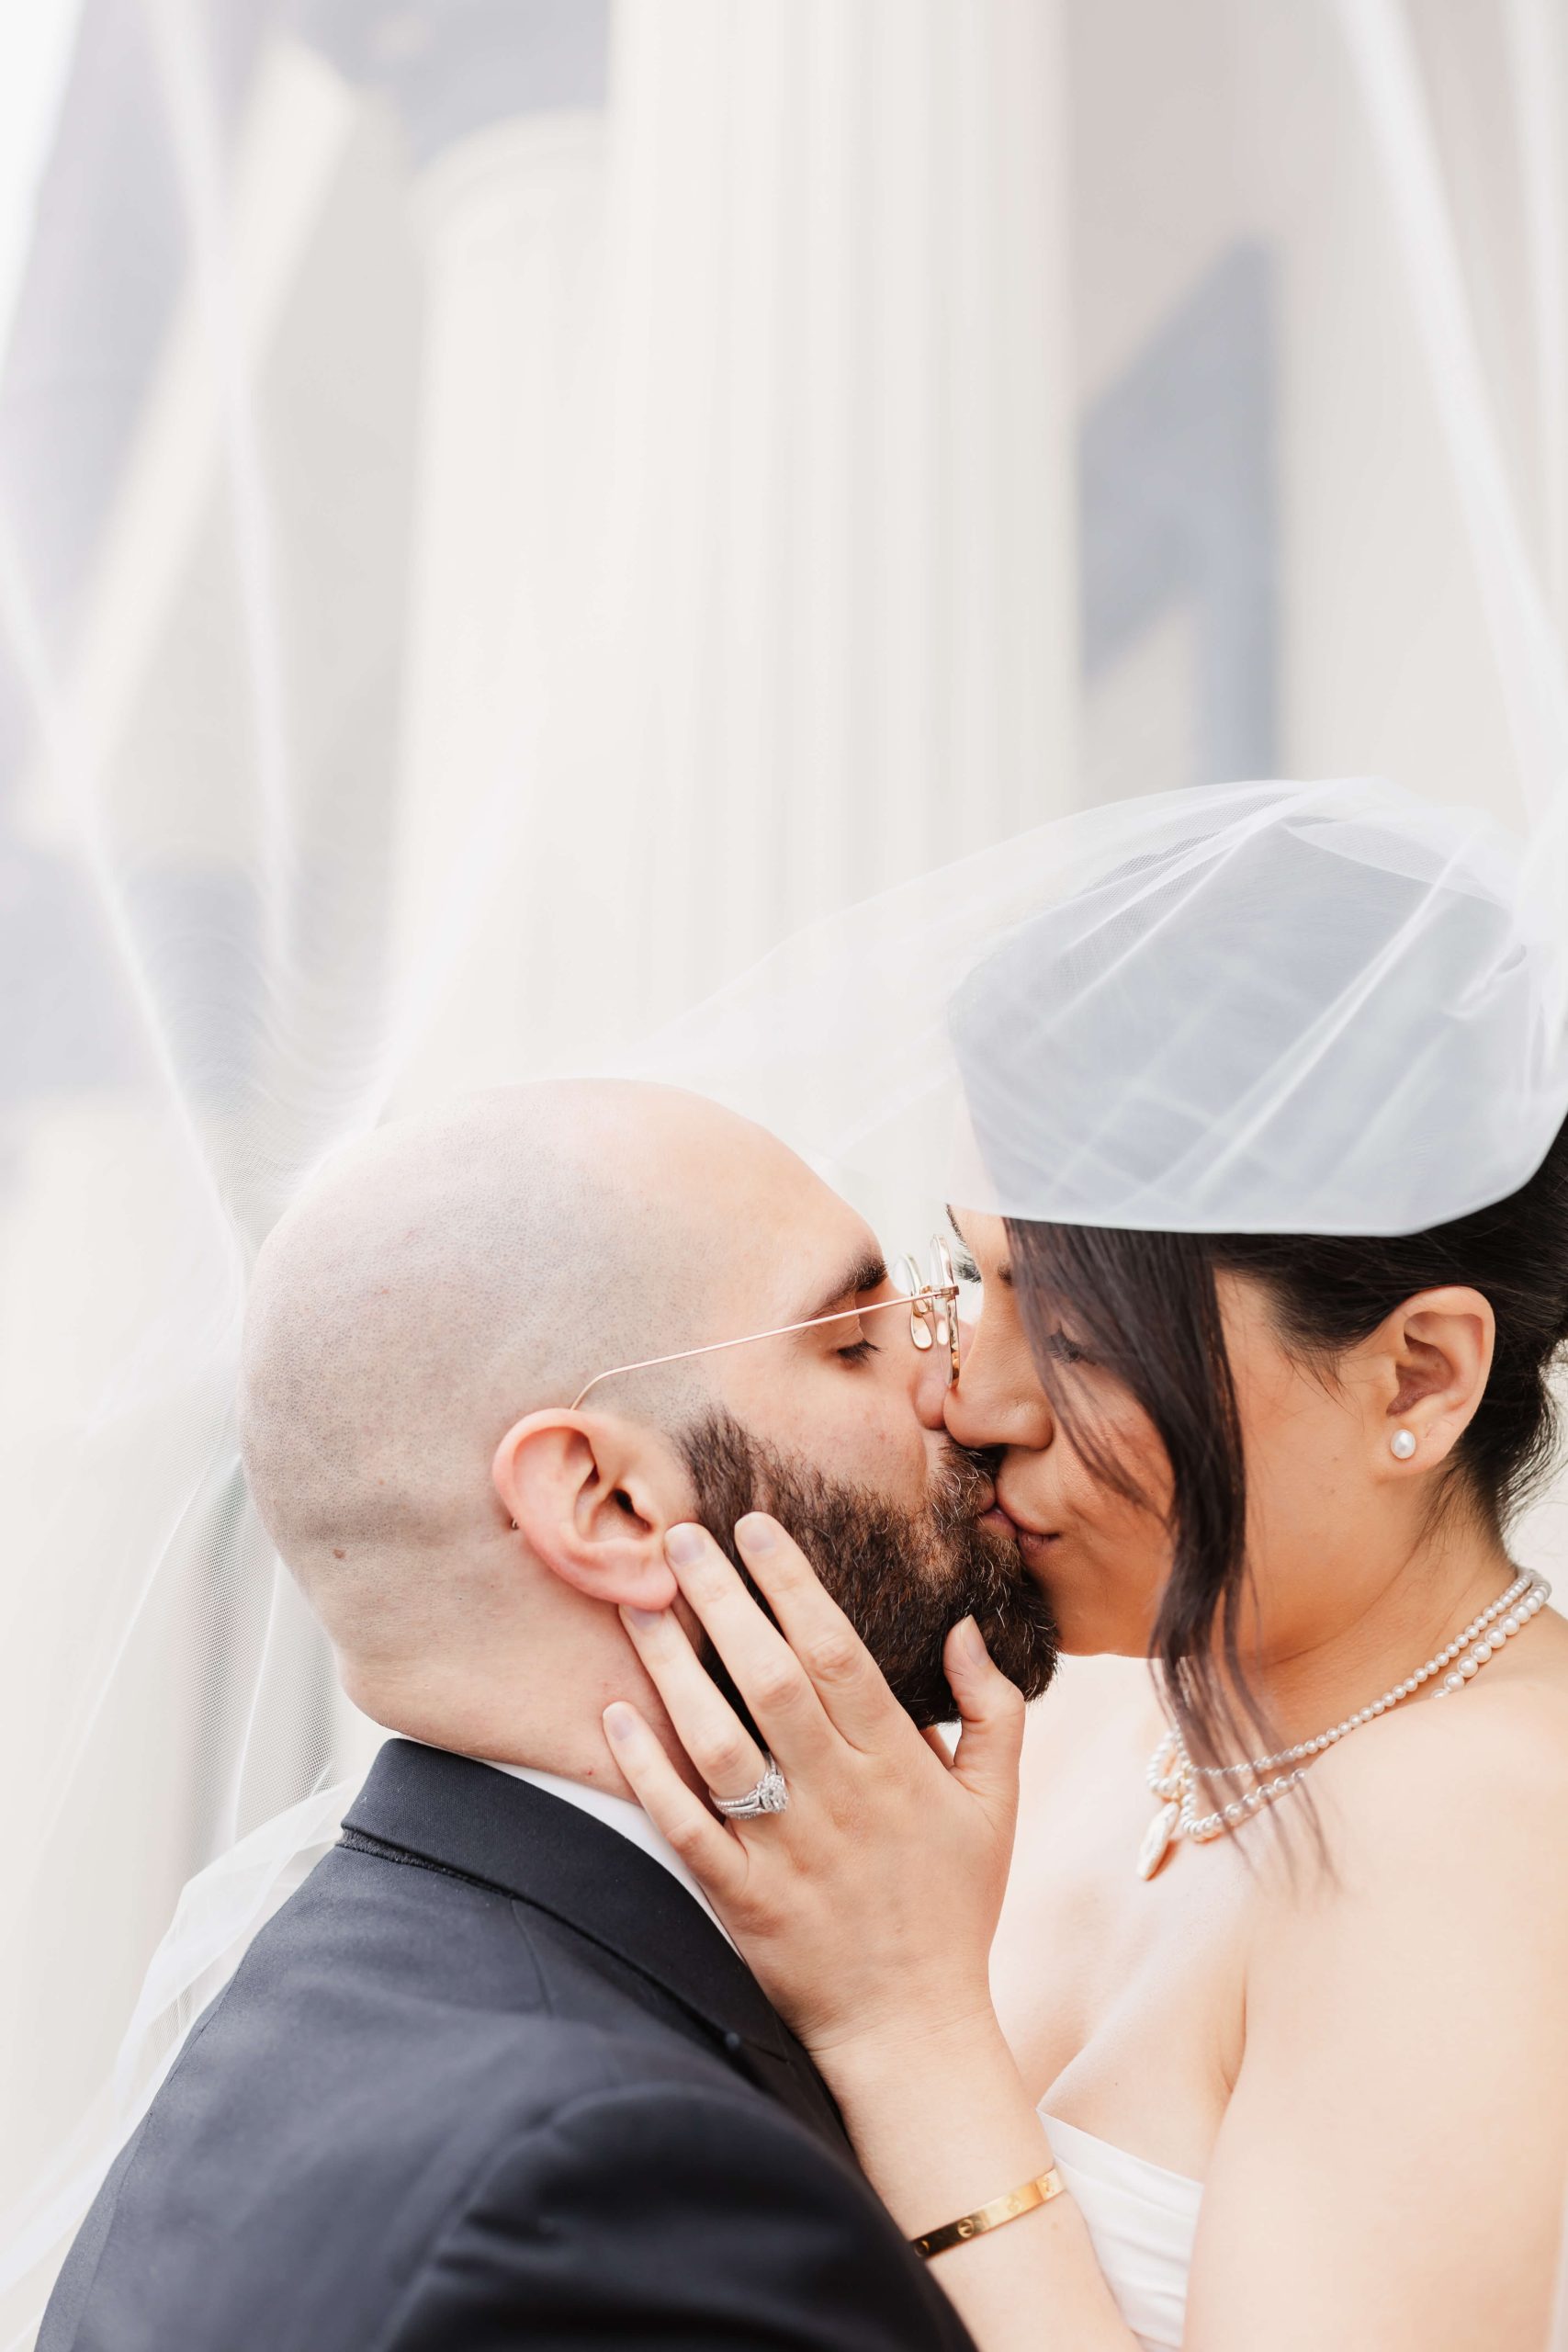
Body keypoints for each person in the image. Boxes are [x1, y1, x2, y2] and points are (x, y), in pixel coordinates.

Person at [604, 784, 1568, 2351]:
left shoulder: (1484, 1830)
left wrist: (906, 2027)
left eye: (1069, 1319)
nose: (969, 1397)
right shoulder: (1068, 1705)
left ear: (1418, 1379)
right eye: (971, 1276)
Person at [38, 1078, 1056, 2352]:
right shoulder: (610, 2190)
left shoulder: (334, 1993)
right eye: (853, 1339)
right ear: (609, 1504)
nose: (953, 1381)